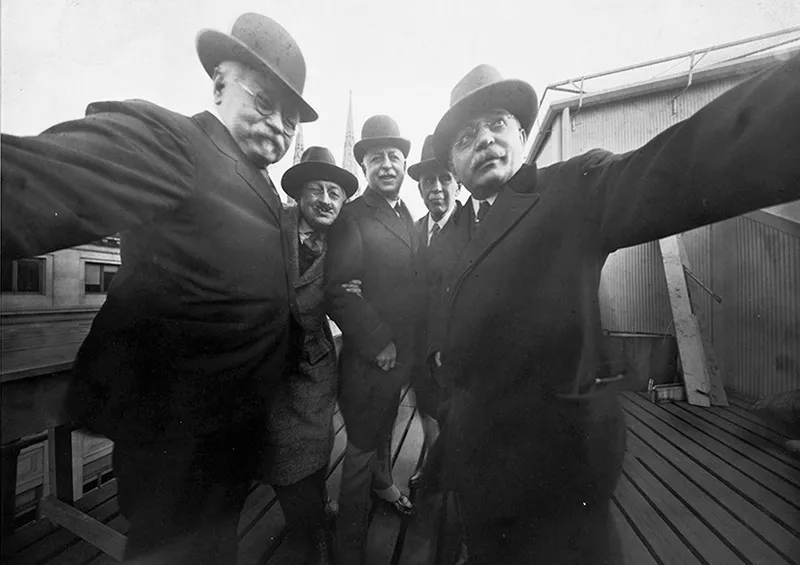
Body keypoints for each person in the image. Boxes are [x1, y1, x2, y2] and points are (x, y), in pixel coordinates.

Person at [428, 57, 800, 564]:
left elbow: (674, 165)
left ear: (521, 135)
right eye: (467, 136)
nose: (486, 140)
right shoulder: (448, 236)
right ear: (453, 165)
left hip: (556, 484)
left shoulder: (572, 189)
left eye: (497, 124)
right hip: (476, 476)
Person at [1, 13, 315, 564]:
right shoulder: (175, 142)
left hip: (233, 429)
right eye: (265, 103)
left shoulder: (262, 182)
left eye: (290, 120)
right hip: (176, 440)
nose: (279, 127)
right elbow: (32, 181)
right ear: (219, 86)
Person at [324, 115, 422, 564]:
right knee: (361, 449)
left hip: (402, 356)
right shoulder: (353, 216)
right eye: (376, 157)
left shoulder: (406, 214)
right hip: (370, 358)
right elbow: (339, 290)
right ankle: (349, 548)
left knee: (385, 430)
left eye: (394, 157)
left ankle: (385, 485)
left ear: (403, 163)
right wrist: (379, 340)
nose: (386, 165)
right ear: (363, 165)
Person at [263, 146, 358, 565]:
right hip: (265, 357)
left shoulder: (347, 241)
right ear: (299, 195)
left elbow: (350, 296)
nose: (325, 200)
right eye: (316, 190)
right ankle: (306, 523)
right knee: (277, 451)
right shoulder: (272, 223)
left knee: (314, 446)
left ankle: (315, 527)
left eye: (334, 193)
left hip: (312, 362)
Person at [407, 134, 463, 491]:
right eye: (429, 181)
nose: (437, 189)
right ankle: (432, 464)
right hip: (418, 345)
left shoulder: (473, 229)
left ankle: (451, 477)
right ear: (420, 189)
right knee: (426, 406)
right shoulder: (414, 231)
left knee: (455, 415)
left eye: (445, 179)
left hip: (454, 349)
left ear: (458, 184)